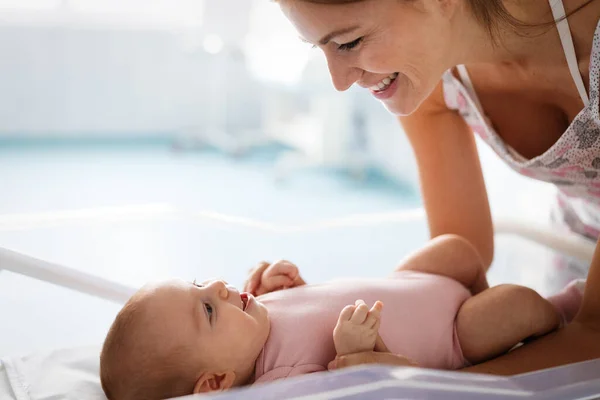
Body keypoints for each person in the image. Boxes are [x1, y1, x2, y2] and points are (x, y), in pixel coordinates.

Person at [267, 0, 600, 374]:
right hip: (573, 248)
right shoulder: (427, 76)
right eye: (319, 47)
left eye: (348, 43)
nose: (340, 82)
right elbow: (456, 262)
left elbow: (594, 335)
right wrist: (304, 323)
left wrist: (416, 385)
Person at [100, 235, 583, 399]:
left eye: (200, 282)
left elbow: (317, 304)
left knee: (454, 249)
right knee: (516, 304)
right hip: (453, 334)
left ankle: (492, 309)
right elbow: (382, 386)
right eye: (207, 308)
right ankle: (563, 311)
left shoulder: (254, 317)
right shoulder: (284, 381)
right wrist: (358, 353)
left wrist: (285, 285)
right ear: (215, 383)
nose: (219, 287)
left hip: (409, 286)